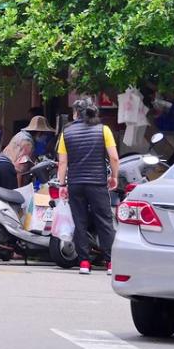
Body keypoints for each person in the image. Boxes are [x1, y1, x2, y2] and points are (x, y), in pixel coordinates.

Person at [57, 97, 119, 276]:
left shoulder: (66, 133)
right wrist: (113, 176)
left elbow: (62, 163)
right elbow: (114, 158)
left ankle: (84, 262)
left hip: (75, 183)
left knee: (80, 221)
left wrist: (62, 184)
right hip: (97, 183)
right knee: (105, 221)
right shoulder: (103, 130)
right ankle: (110, 263)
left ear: (76, 113)